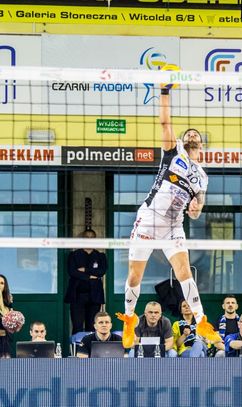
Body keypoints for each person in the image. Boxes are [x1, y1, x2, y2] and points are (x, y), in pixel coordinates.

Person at [116, 85, 216, 349]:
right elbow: (164, 122)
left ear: (201, 144)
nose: (192, 135)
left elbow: (198, 207)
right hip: (149, 219)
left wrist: (195, 209)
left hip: (174, 226)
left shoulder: (202, 177)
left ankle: (202, 321)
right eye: (188, 133)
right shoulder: (173, 152)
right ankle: (129, 319)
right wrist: (164, 93)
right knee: (135, 276)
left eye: (196, 134)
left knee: (185, 273)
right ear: (183, 140)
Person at [64, 229, 107, 334]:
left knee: (92, 327)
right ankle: (76, 345)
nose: (89, 239)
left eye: (92, 237)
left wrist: (85, 270)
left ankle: (89, 345)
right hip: (77, 295)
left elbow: (101, 271)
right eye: (87, 237)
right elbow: (72, 272)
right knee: (77, 326)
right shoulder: (74, 255)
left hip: (94, 296)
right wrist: (90, 276)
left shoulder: (100, 256)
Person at [0, 274, 13, 358]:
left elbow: (10, 326)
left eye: (2, 283)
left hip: (5, 341)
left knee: (6, 363)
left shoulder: (8, 303)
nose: (0, 285)